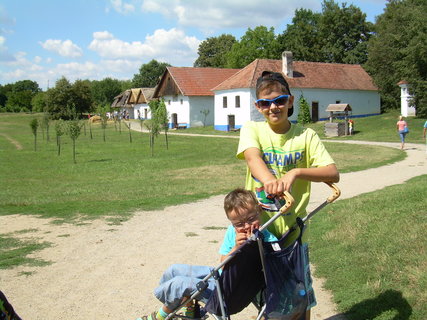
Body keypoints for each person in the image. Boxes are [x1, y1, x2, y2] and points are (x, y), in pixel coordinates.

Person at [236, 71, 340, 320]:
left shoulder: (306, 136)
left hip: (293, 231)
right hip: (259, 228)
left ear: (290, 101)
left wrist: (295, 173)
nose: (273, 107)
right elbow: (253, 158)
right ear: (258, 106)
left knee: (299, 292)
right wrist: (271, 181)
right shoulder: (252, 129)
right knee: (263, 290)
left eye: (279, 100)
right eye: (265, 103)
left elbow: (332, 173)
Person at [138, 188, 278, 320]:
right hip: (223, 278)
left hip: (228, 296)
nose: (247, 226)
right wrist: (236, 248)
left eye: (251, 219)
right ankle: (190, 310)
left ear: (259, 211)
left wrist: (246, 248)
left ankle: (161, 316)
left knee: (179, 284)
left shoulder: (268, 241)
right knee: (174, 270)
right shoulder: (232, 232)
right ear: (232, 222)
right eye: (239, 224)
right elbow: (222, 264)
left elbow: (271, 272)